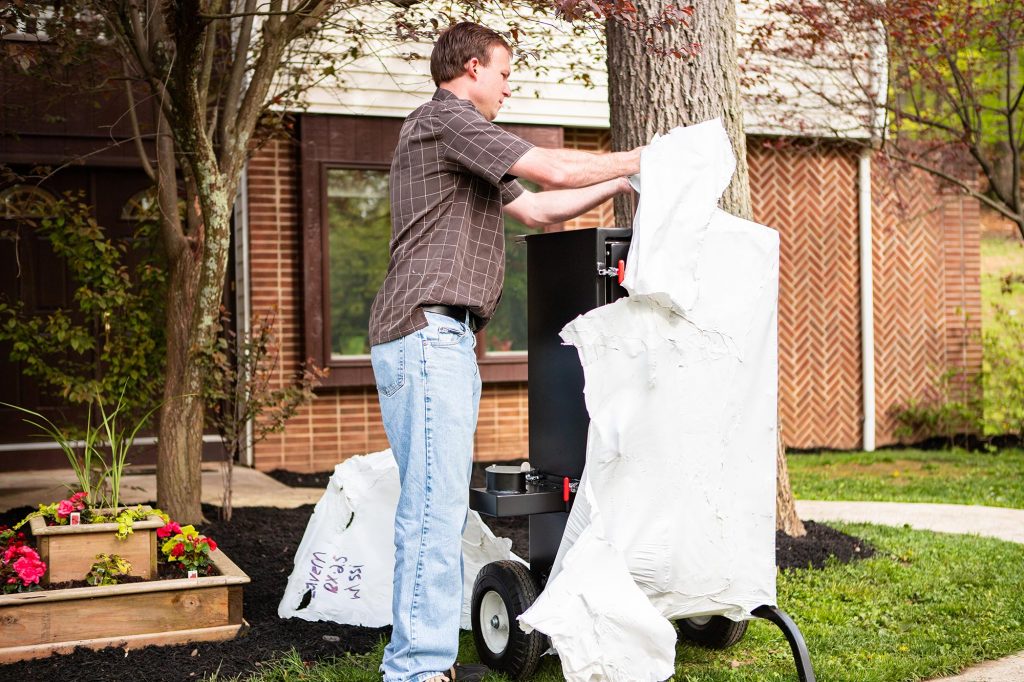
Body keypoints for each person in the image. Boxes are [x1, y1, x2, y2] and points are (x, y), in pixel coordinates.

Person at [368, 21, 642, 682]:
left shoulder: (457, 143)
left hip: (442, 337)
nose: (508, 85)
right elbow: (553, 166)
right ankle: (413, 673)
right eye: (503, 72)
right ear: (469, 68)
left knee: (433, 509)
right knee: (432, 514)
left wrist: (622, 185)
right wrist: (641, 158)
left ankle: (418, 666)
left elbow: (543, 209)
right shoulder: (447, 120)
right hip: (427, 332)